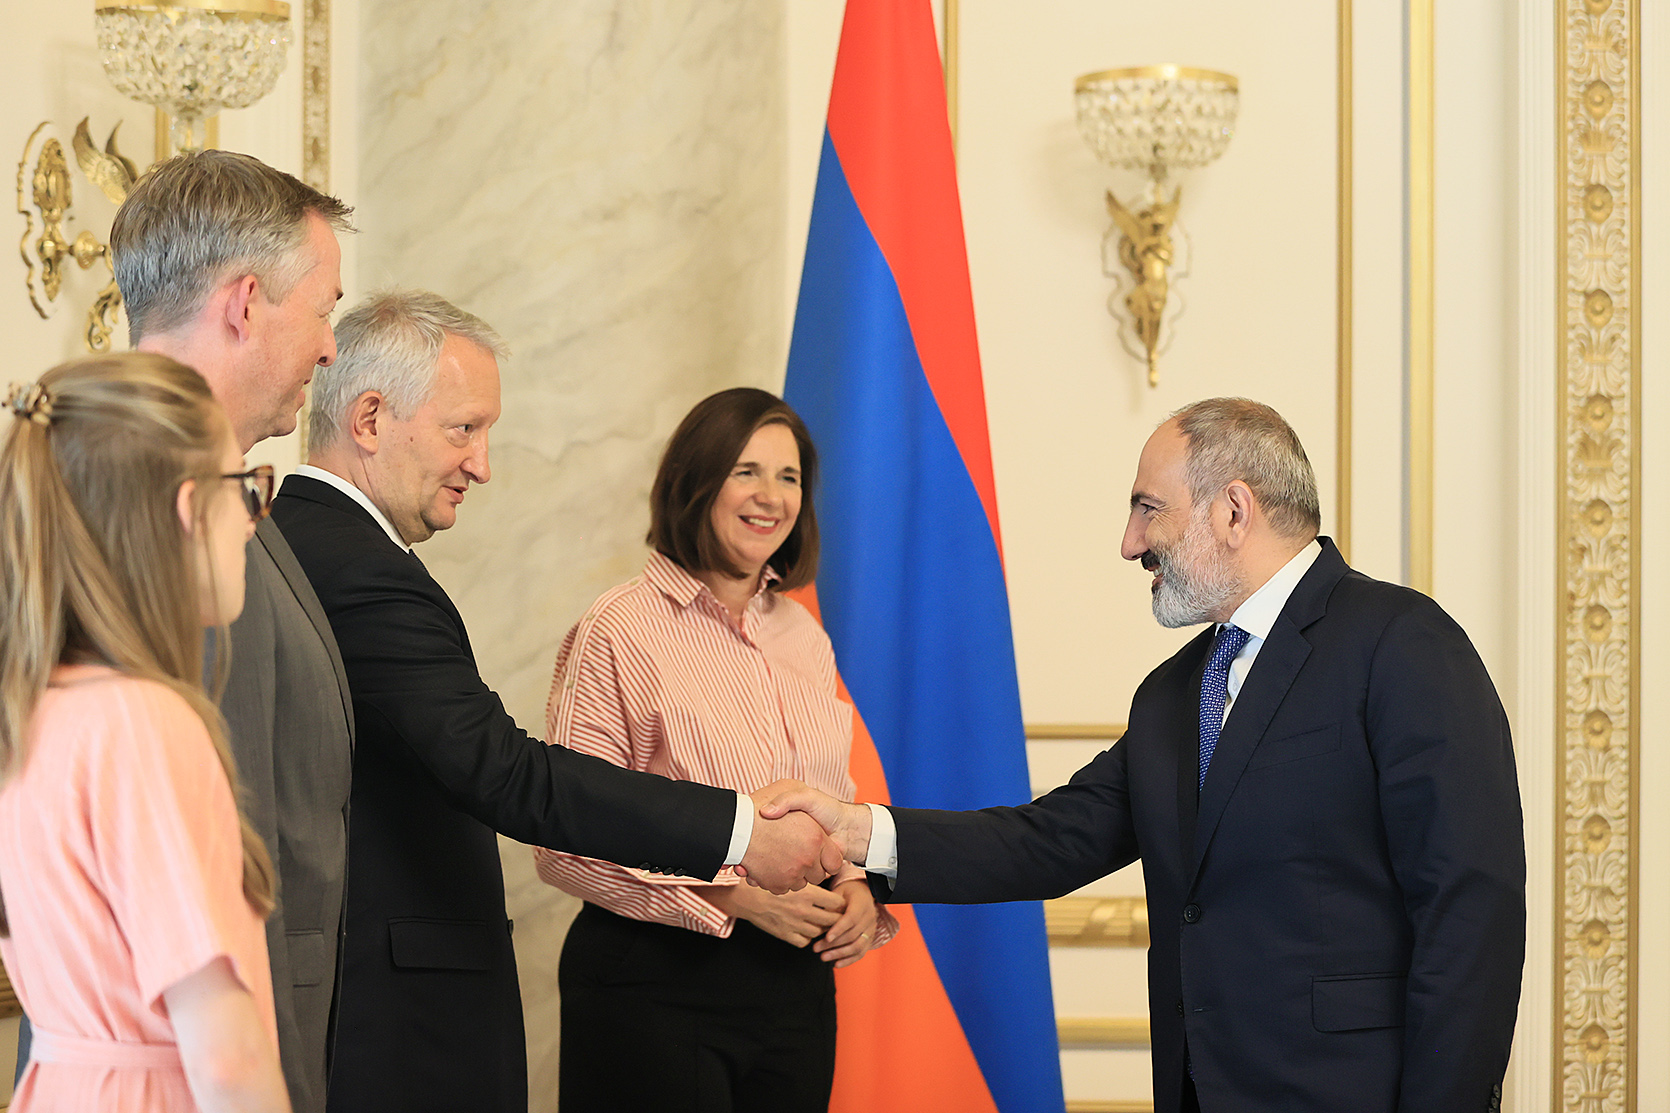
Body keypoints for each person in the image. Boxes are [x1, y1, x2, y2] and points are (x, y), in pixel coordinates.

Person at [765, 398, 1526, 1113]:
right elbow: (1050, 840)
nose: (1130, 542)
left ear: (1234, 510)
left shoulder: (1401, 642)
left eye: (1147, 508)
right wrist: (859, 831)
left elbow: (1470, 912)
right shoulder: (1172, 693)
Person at [269, 291, 841, 1113]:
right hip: (409, 1007)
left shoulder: (298, 543)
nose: (482, 464)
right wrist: (742, 834)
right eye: (464, 428)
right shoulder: (362, 570)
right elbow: (507, 773)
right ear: (369, 419)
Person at [535, 387, 895, 1112]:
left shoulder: (804, 637)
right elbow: (563, 842)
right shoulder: (620, 628)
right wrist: (733, 895)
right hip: (655, 985)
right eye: (746, 471)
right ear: (695, 481)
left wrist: (856, 886)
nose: (771, 497)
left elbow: (831, 804)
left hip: (794, 989)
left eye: (788, 477)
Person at [84, 149, 354, 1113]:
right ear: (245, 303)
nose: (330, 349)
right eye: (323, 309)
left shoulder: (213, 486)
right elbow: (218, 858)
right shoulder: (162, 506)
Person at [0, 355, 290, 1112]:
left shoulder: (32, 709)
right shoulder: (143, 723)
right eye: (244, 487)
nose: (253, 520)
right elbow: (227, 1057)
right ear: (190, 508)